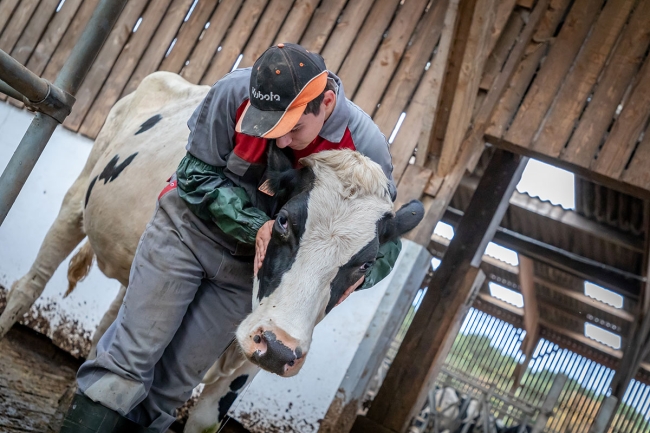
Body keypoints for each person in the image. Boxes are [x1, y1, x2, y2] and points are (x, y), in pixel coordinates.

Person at [61, 43, 400, 433]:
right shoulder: (233, 92)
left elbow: (374, 242)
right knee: (127, 363)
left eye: (292, 129)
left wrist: (359, 275)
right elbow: (193, 175)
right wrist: (257, 226)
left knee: (173, 387)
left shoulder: (367, 149)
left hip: (247, 274)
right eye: (268, 127)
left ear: (325, 103)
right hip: (185, 234)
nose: (281, 142)